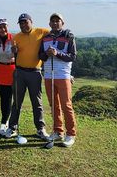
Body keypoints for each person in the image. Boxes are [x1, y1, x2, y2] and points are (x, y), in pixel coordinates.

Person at [4, 13, 51, 141]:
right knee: (17, 102)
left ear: (31, 21)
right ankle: (12, 128)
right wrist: (14, 50)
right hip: (19, 72)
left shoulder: (41, 31)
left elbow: (55, 33)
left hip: (35, 72)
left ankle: (40, 129)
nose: (24, 25)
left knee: (37, 102)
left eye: (26, 22)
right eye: (21, 23)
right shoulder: (16, 36)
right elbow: (13, 52)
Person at [39, 13, 78, 147]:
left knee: (66, 105)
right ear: (49, 24)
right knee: (54, 105)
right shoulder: (45, 38)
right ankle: (57, 131)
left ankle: (71, 134)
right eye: (53, 21)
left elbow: (73, 56)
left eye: (58, 21)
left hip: (63, 75)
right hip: (49, 75)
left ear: (62, 22)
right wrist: (46, 54)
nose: (55, 23)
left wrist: (57, 53)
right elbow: (40, 56)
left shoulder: (69, 36)